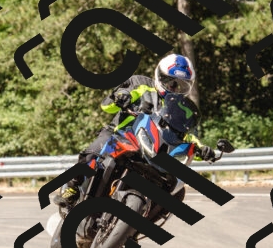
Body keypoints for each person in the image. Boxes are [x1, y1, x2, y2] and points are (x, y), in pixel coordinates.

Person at [53, 53, 216, 208]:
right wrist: (120, 97)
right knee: (94, 152)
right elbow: (106, 106)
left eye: (181, 85)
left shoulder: (180, 108)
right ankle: (72, 185)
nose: (174, 88)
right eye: (171, 82)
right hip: (121, 134)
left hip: (152, 148)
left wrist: (202, 149)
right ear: (160, 76)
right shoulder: (140, 83)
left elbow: (187, 135)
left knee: (177, 192)